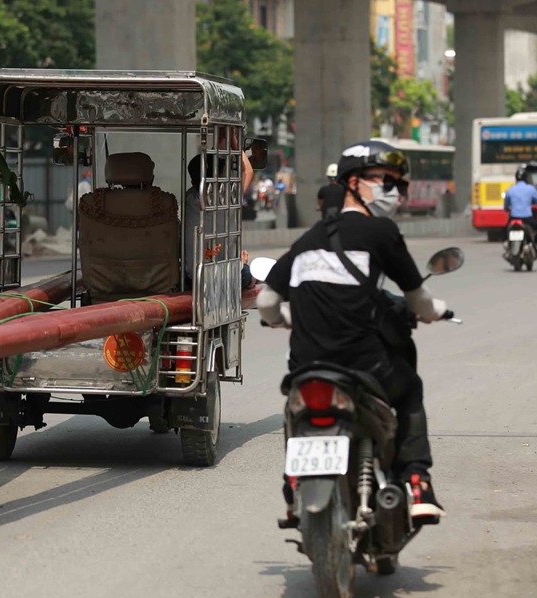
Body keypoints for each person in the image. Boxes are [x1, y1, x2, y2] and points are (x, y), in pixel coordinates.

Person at [257, 139, 447, 525]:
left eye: (399, 185)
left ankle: (293, 484)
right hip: (364, 366)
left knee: (295, 412)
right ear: (353, 182)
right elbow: (418, 299)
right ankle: (417, 481)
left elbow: (265, 303)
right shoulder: (381, 232)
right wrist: (436, 311)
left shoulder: (306, 241)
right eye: (386, 182)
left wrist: (283, 320)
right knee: (409, 389)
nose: (394, 192)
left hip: (307, 368)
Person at [185, 148, 254, 289]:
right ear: (220, 175)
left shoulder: (189, 199)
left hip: (194, 279)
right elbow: (247, 171)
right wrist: (234, 141)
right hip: (228, 276)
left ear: (192, 180)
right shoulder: (228, 197)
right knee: (249, 274)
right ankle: (243, 264)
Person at [503, 166, 537, 253]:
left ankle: (507, 244)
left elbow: (506, 206)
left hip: (513, 217)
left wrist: (507, 209)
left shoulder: (510, 190)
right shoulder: (531, 189)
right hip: (527, 218)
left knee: (505, 229)